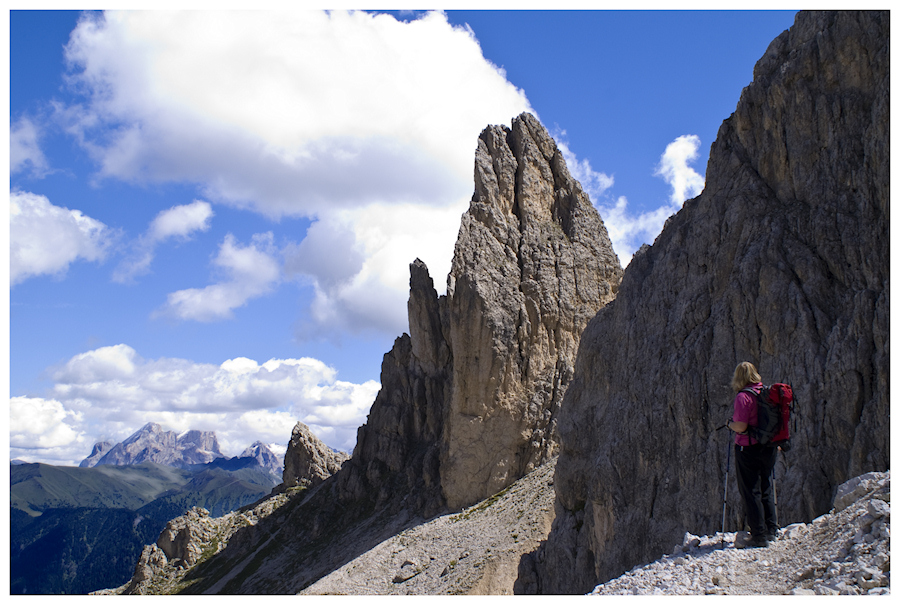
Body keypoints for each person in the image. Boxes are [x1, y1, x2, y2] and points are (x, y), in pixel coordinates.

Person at [726, 361, 778, 548]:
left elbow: (741, 426)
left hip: (748, 448)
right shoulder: (767, 393)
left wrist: (730, 425)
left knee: (750, 490)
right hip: (769, 447)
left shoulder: (743, 397)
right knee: (765, 487)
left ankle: (758, 535)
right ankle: (772, 530)